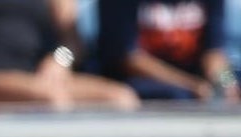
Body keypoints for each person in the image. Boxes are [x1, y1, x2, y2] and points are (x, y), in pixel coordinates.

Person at [0, 0, 141, 108]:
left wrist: (59, 61)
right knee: (48, 99)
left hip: (38, 77)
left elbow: (74, 43)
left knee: (121, 99)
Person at [97, 0, 239, 101]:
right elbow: (128, 59)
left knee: (233, 85)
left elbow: (214, 53)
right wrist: (192, 86)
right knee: (177, 95)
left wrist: (226, 83)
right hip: (140, 80)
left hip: (195, 79)